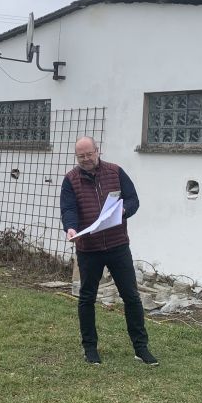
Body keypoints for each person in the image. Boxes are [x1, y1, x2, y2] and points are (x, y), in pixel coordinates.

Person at [60, 136, 157, 366]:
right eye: (81, 156)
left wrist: (124, 210)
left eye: (89, 154)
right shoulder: (70, 180)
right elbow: (68, 209)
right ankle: (90, 348)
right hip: (89, 248)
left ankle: (140, 348)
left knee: (131, 297)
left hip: (117, 245)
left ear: (98, 151)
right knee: (87, 298)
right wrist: (71, 228)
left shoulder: (115, 172)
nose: (86, 159)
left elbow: (133, 199)